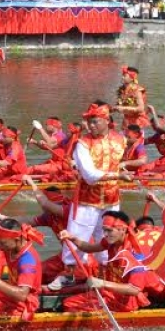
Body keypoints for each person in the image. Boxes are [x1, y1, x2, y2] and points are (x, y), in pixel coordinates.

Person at [51, 102, 127, 290]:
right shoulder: (83, 144)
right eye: (89, 122)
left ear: (107, 120)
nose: (90, 126)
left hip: (111, 201)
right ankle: (68, 274)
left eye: (94, 122)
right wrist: (118, 175)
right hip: (87, 200)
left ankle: (107, 275)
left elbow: (118, 163)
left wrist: (122, 170)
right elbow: (90, 176)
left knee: (109, 238)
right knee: (75, 236)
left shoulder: (120, 140)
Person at [59, 211, 164, 312]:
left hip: (125, 301)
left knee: (68, 304)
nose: (105, 234)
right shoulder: (111, 242)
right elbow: (89, 248)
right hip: (111, 291)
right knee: (69, 297)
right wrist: (72, 238)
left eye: (109, 230)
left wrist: (103, 283)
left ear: (122, 230)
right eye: (104, 230)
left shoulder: (134, 256)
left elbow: (134, 289)